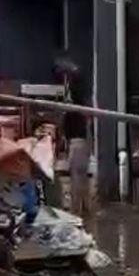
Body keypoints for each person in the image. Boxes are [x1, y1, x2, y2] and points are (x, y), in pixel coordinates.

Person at [56, 58, 92, 218]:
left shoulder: (77, 96)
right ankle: (83, 209)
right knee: (80, 176)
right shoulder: (77, 96)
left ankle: (77, 211)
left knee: (77, 175)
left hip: (78, 139)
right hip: (78, 139)